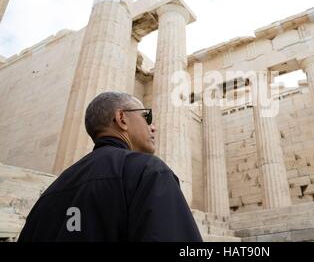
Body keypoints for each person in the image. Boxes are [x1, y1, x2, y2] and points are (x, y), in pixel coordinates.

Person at [18, 92, 203, 242]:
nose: (153, 126)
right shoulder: (148, 172)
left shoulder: (51, 191)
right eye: (146, 116)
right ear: (121, 118)